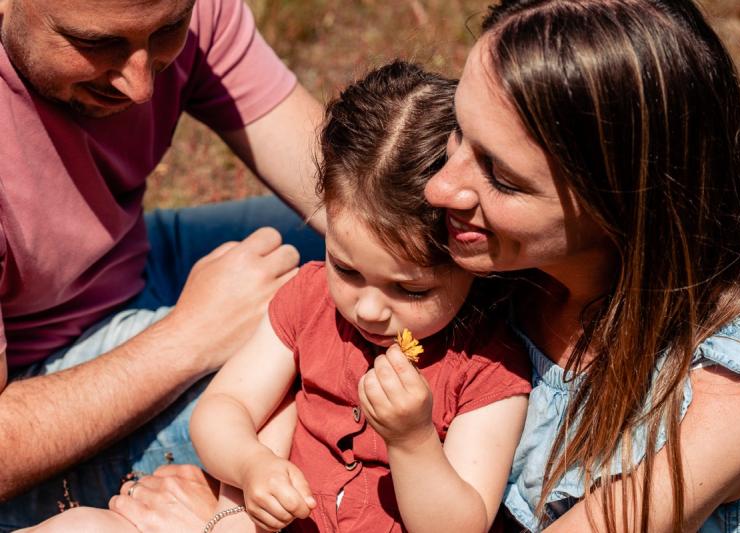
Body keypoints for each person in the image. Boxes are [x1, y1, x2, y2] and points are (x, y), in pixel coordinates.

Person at [24, 60, 532, 533]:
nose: (370, 309)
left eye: (411, 289)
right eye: (347, 268)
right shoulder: (311, 299)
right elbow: (223, 408)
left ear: (472, 264)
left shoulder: (487, 367)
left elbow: (458, 526)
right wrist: (254, 465)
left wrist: (412, 439)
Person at [421, 0, 740, 531]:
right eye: (458, 133)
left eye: (501, 177)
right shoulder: (506, 276)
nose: (439, 187)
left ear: (621, 201)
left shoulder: (730, 392)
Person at [0, 0, 325, 528]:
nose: (140, 87)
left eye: (169, 29)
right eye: (95, 43)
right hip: (34, 387)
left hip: (133, 258)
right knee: (315, 375)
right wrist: (189, 337)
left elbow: (343, 194)